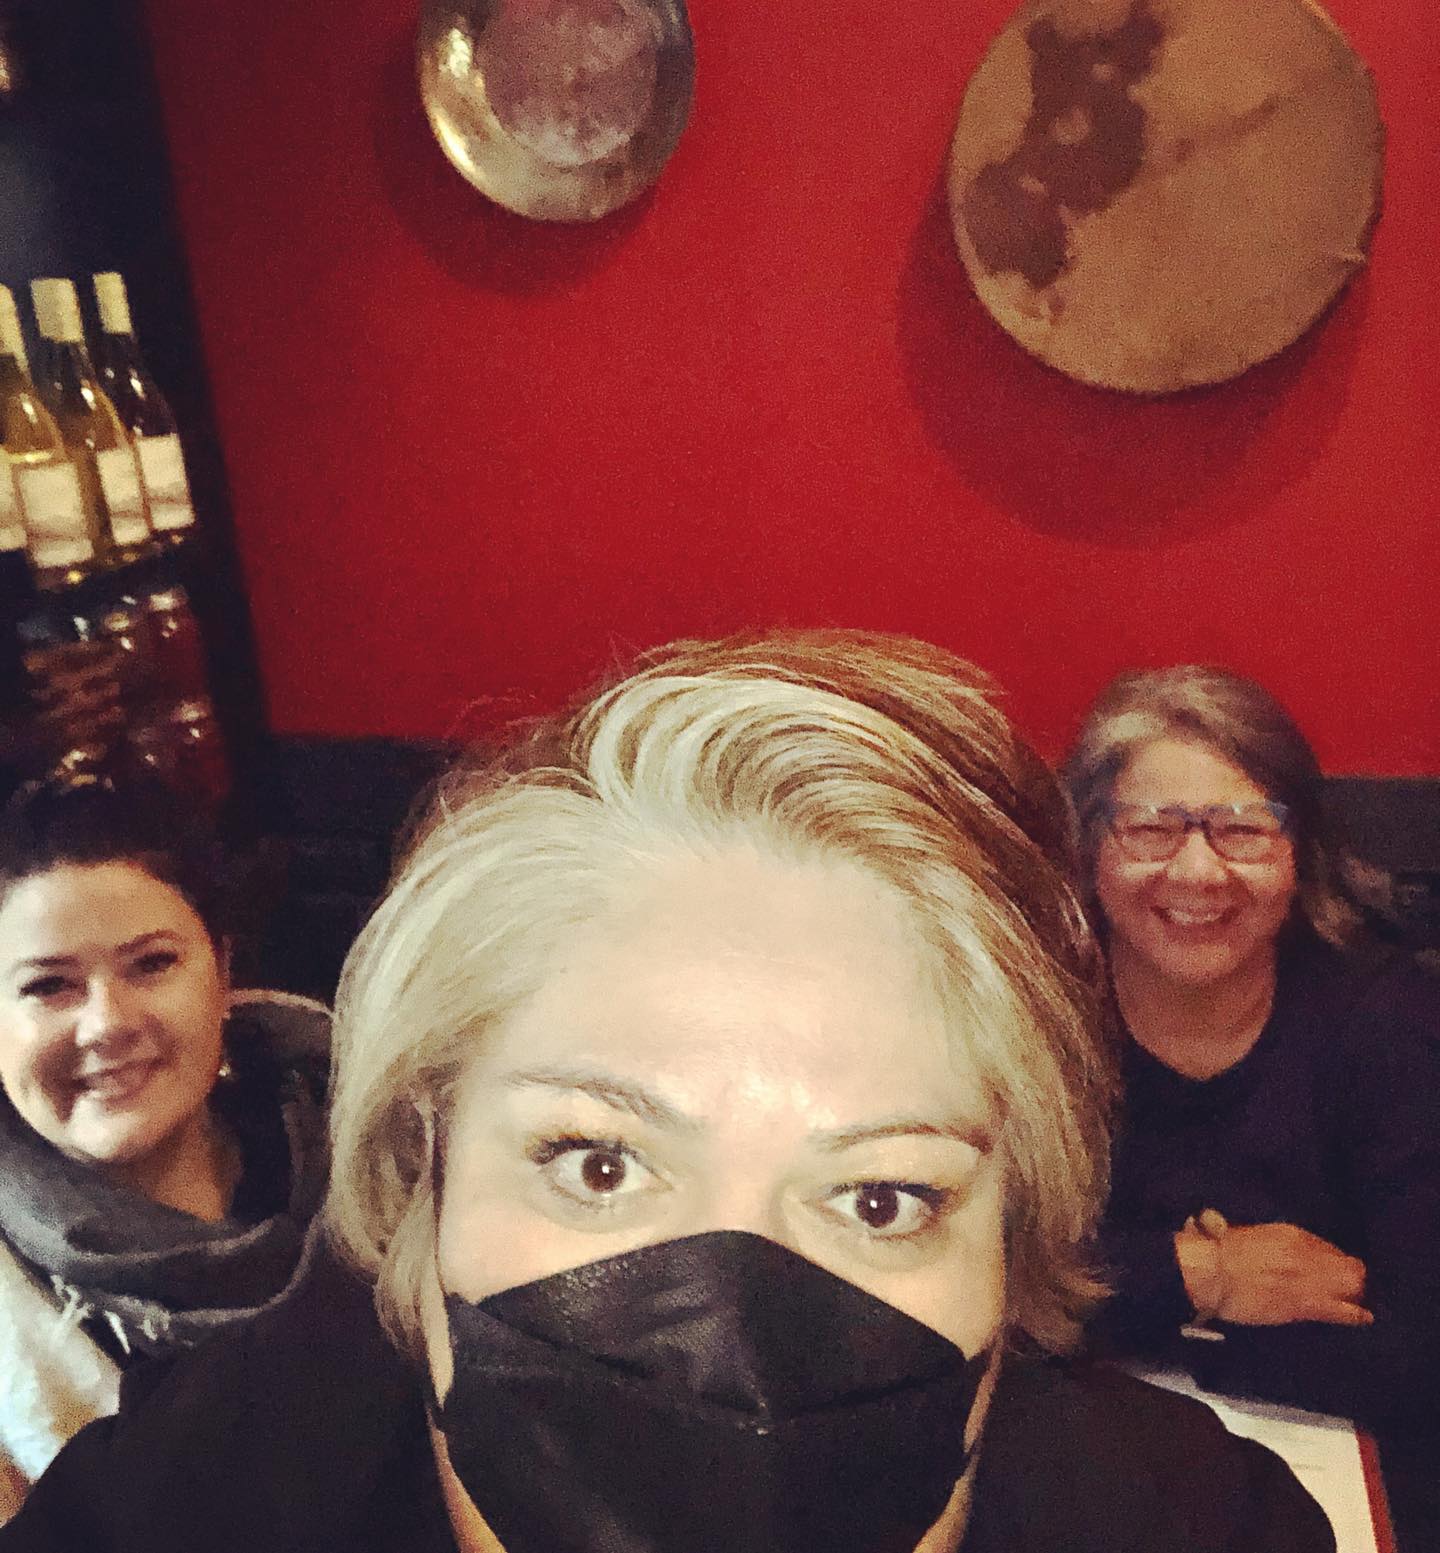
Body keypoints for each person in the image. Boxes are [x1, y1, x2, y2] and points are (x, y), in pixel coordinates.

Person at [1, 634, 1332, 1553]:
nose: (726, 1334)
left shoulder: (1201, 1529)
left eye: (880, 1196)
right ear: (425, 1173)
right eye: (599, 1163)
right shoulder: (165, 1519)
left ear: (1014, 1241)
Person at [1064, 664, 1440, 1551]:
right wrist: (1206, 1275)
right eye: (1152, 827)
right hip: (1080, 1455)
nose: (1199, 870)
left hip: (1351, 1471)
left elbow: (1420, 1355)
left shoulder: (1389, 1024)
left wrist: (1138, 1318)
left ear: (1298, 850)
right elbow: (993, 1284)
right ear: (1090, 847)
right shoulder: (1031, 1014)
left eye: (1242, 829)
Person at [0, 777, 330, 1522]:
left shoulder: (374, 1153)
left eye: (151, 963)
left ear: (223, 973)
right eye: (49, 985)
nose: (106, 1023)